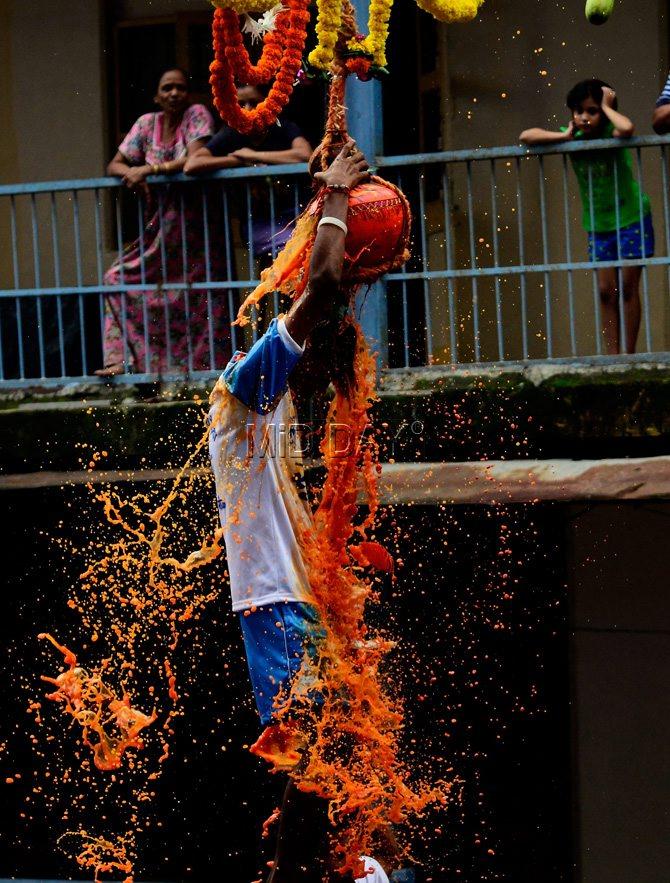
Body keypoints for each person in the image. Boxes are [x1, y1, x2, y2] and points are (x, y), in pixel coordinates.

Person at [208, 138, 371, 883]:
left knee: (343, 760)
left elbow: (327, 301)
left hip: (295, 604)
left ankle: (345, 868)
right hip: (274, 606)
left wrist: (320, 200)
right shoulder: (243, 397)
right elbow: (328, 285)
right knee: (312, 768)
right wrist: (337, 195)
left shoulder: (268, 408)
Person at [97, 68, 226, 377]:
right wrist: (131, 173)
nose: (174, 93)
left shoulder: (196, 114)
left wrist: (150, 171)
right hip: (159, 225)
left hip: (196, 225)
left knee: (200, 295)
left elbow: (195, 158)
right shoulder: (146, 123)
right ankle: (122, 361)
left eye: (180, 88)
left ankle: (205, 373)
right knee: (116, 278)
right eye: (167, 88)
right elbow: (115, 164)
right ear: (157, 95)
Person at [520, 79, 654, 355]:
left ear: (604, 113)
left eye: (592, 111)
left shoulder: (612, 133)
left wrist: (607, 106)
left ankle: (628, 355)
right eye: (578, 110)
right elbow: (526, 136)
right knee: (606, 291)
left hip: (631, 218)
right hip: (599, 225)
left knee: (628, 288)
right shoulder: (574, 139)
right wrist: (564, 138)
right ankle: (612, 355)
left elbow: (627, 128)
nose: (583, 117)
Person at [185, 85, 312, 258]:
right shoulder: (231, 133)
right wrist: (238, 160)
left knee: (303, 248)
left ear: (267, 104)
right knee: (292, 248)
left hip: (296, 216)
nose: (248, 109)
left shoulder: (283, 127)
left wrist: (255, 155)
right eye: (241, 104)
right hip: (257, 223)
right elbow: (192, 164)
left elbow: (305, 154)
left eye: (254, 102)